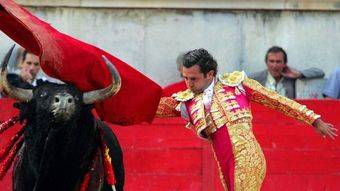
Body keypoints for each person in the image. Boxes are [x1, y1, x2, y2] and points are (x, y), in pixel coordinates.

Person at [156, 48, 337, 191]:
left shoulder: (237, 85)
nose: (188, 84)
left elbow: (278, 101)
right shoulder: (188, 101)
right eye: (185, 78)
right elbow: (153, 108)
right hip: (225, 163)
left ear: (210, 74)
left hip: (247, 158)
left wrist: (314, 119)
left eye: (193, 78)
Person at [248, 46, 325, 99]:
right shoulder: (256, 78)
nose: (274, 66)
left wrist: (299, 74)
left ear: (285, 63)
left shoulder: (291, 77)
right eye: (271, 61)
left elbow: (320, 72)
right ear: (266, 62)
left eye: (278, 62)